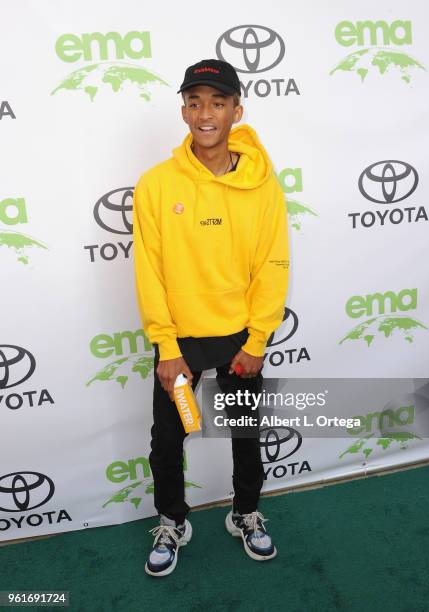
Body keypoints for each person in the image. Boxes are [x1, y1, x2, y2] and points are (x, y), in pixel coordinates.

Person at [132, 58, 290, 577]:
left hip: (240, 336)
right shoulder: (155, 184)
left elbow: (273, 261)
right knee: (167, 439)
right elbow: (149, 269)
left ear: (236, 111)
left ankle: (245, 512)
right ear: (183, 112)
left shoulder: (264, 185)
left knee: (245, 433)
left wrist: (258, 338)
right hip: (180, 339)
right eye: (195, 102)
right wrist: (167, 344)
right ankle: (172, 520)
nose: (206, 113)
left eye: (217, 103)